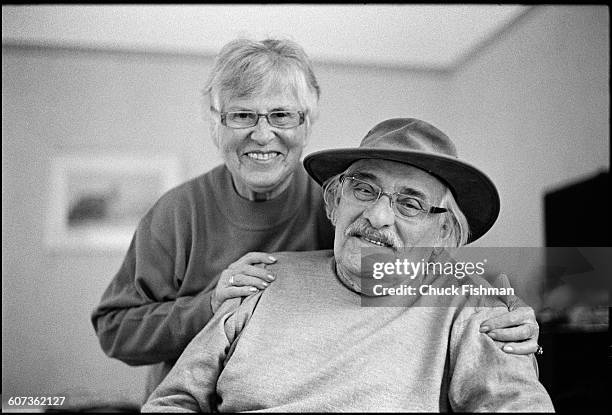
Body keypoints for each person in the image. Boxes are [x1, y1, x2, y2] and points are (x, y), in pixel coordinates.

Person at [91, 38, 541, 401]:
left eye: (282, 115)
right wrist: (208, 306)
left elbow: (421, 263)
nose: (262, 134)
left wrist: (506, 309)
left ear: (307, 124)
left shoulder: (352, 210)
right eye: (242, 115)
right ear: (217, 125)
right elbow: (115, 330)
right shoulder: (175, 213)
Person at [141, 118, 554, 412]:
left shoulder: (471, 306)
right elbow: (174, 400)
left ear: (444, 235)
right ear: (336, 202)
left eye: (409, 203)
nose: (377, 216)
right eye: (364, 189)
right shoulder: (266, 278)